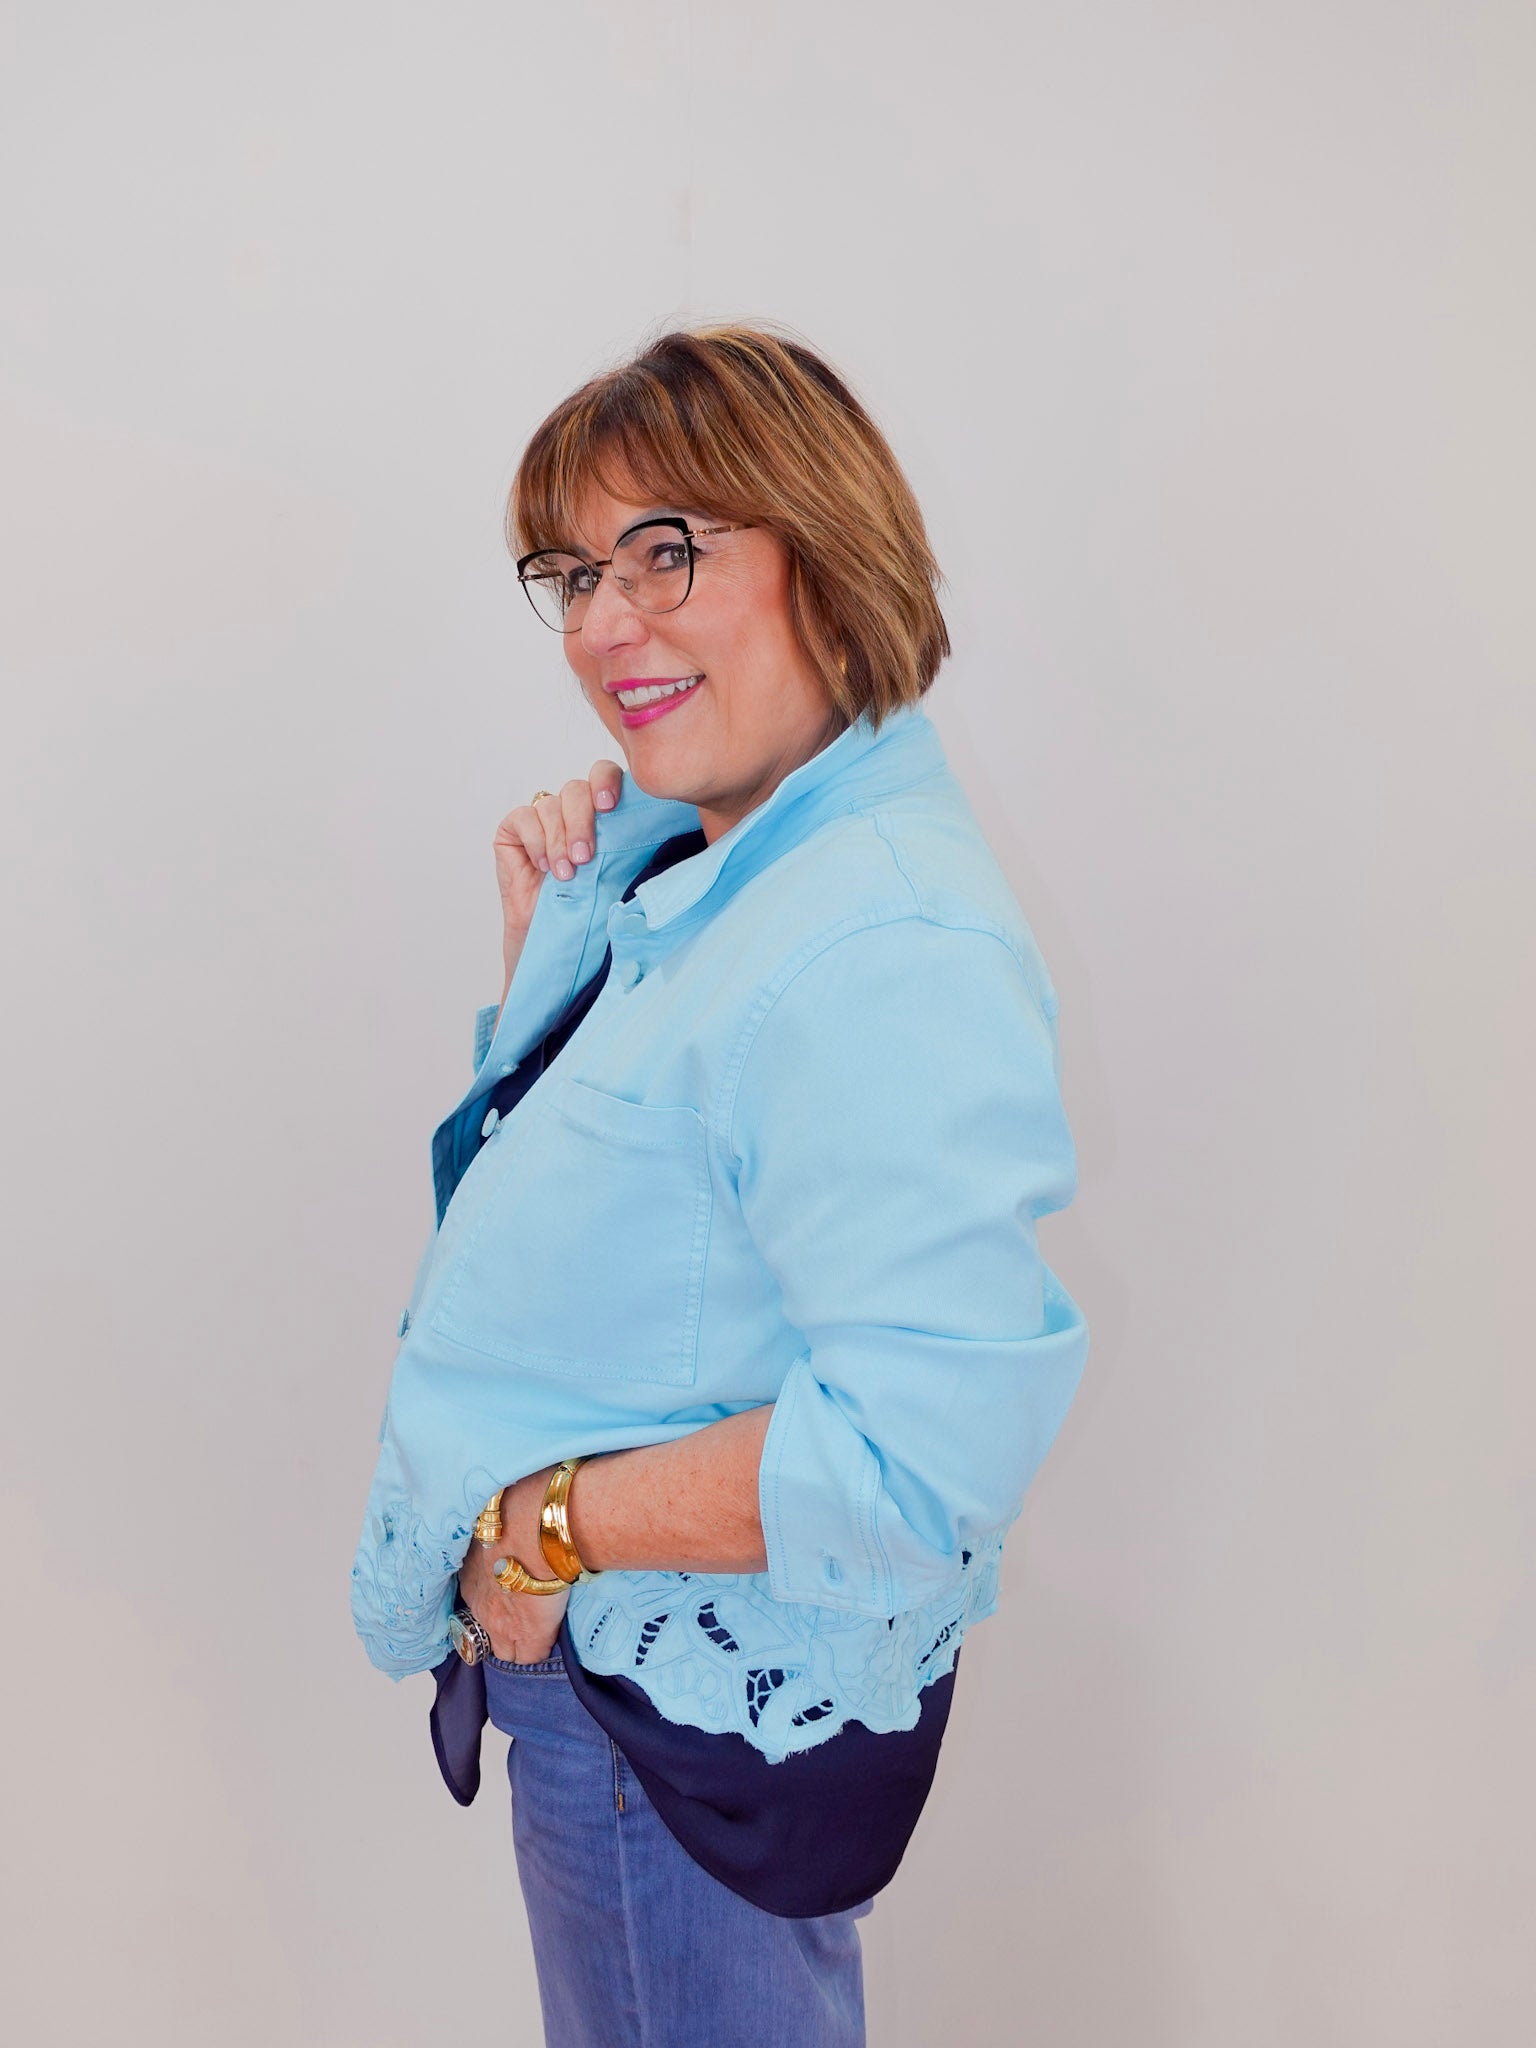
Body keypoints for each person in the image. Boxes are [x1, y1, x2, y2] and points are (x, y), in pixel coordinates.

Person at [351, 324, 1089, 2046]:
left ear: (826, 546)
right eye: (572, 572)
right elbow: (611, 1216)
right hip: (630, 1716)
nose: (605, 627)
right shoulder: (735, 868)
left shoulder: (875, 936)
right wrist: (559, 953)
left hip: (657, 1733)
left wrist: (545, 1526)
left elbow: (917, 1456)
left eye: (665, 552)